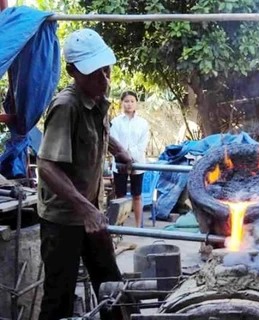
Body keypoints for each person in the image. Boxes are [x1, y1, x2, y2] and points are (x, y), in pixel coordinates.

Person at [37, 28, 134, 319]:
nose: (104, 80)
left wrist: (119, 150)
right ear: (72, 71)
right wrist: (85, 210)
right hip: (64, 219)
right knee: (59, 297)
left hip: (91, 211)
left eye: (106, 71)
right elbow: (46, 166)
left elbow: (98, 132)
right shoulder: (67, 107)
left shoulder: (97, 98)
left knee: (111, 284)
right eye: (94, 74)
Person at [110, 91, 150, 227]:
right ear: (122, 103)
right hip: (119, 163)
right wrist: (123, 156)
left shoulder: (143, 124)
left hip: (137, 163)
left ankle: (138, 226)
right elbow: (114, 143)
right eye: (126, 101)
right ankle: (119, 227)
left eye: (132, 101)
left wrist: (129, 155)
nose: (129, 104)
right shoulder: (115, 123)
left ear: (136, 103)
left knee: (137, 195)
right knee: (120, 196)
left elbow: (142, 146)